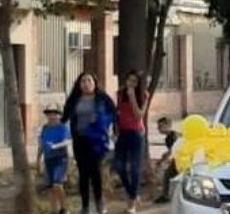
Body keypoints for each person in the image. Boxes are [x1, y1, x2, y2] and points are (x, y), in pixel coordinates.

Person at [62, 72, 116, 214]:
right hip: (79, 140)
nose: (86, 83)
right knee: (83, 174)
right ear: (79, 84)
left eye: (89, 80)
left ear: (94, 83)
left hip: (96, 141)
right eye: (83, 81)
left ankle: (99, 204)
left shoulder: (102, 98)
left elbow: (114, 114)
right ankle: (85, 206)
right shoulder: (74, 99)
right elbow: (64, 117)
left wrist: (101, 119)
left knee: (95, 172)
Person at [114, 70, 148, 213]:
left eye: (134, 81)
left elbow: (139, 115)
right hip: (122, 134)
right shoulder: (120, 93)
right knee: (119, 167)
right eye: (129, 80)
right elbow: (118, 112)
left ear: (138, 83)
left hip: (135, 134)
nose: (131, 83)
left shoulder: (143, 95)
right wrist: (115, 130)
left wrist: (133, 96)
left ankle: (132, 203)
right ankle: (132, 193)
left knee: (134, 168)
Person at [37, 103, 71, 214]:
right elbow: (41, 145)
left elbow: (67, 141)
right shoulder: (44, 128)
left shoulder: (62, 127)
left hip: (61, 158)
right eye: (49, 113)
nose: (51, 116)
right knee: (50, 187)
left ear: (58, 114)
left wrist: (55, 146)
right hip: (48, 159)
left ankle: (64, 208)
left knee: (57, 184)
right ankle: (53, 210)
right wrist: (38, 160)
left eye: (54, 113)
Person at [153, 117, 180, 204]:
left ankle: (166, 195)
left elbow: (174, 149)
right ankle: (165, 195)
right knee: (167, 175)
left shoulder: (174, 135)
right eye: (158, 127)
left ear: (168, 125)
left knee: (168, 175)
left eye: (161, 126)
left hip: (182, 160)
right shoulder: (167, 138)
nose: (159, 129)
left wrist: (164, 157)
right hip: (177, 160)